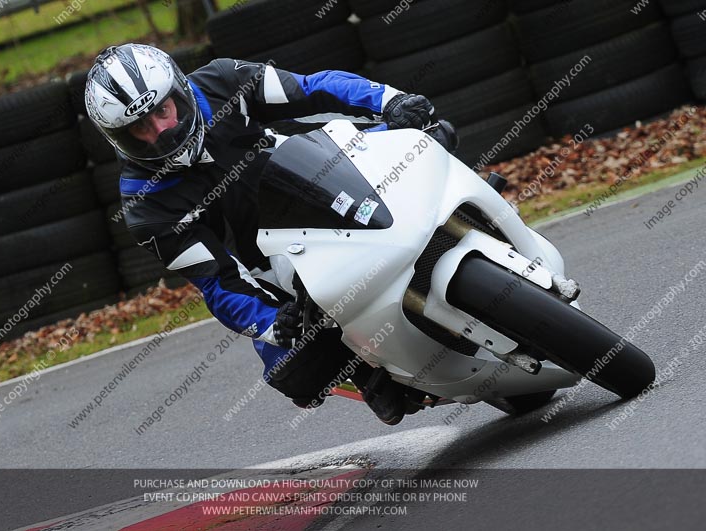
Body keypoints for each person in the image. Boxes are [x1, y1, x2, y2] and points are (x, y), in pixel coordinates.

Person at [85, 43, 458, 425]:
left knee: (430, 134)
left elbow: (312, 90)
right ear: (119, 139)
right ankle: (368, 374)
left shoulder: (223, 81)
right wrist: (271, 322)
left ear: (179, 90)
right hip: (277, 262)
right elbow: (218, 283)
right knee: (294, 368)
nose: (162, 131)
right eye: (140, 128)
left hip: (327, 180)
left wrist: (388, 101)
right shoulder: (145, 206)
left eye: (163, 110)